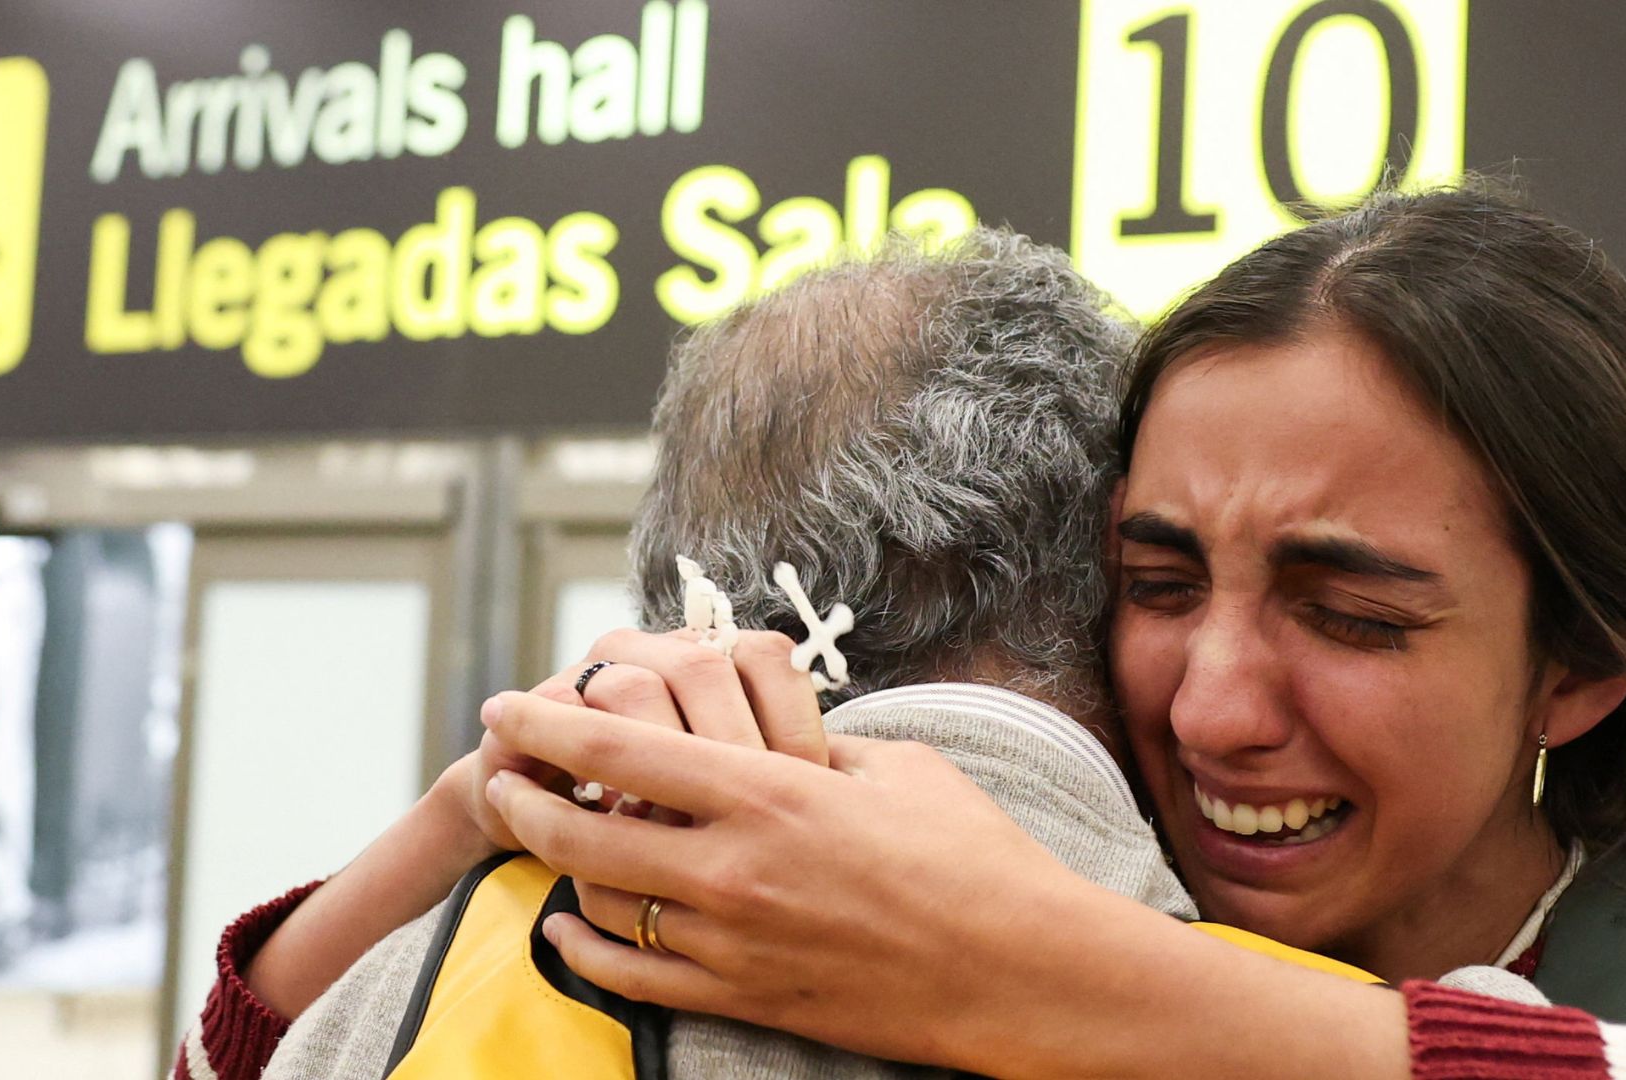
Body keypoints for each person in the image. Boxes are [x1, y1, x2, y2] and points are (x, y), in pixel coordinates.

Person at [480, 186, 1626, 1077]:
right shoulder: (944, 847)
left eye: (1353, 617)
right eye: (1158, 583)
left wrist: (1050, 975)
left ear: (1580, 658)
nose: (1211, 712)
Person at [173, 229, 1209, 1080]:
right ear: (1110, 549)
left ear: (684, 582)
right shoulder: (1267, 991)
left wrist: (469, 825)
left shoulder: (390, 998)